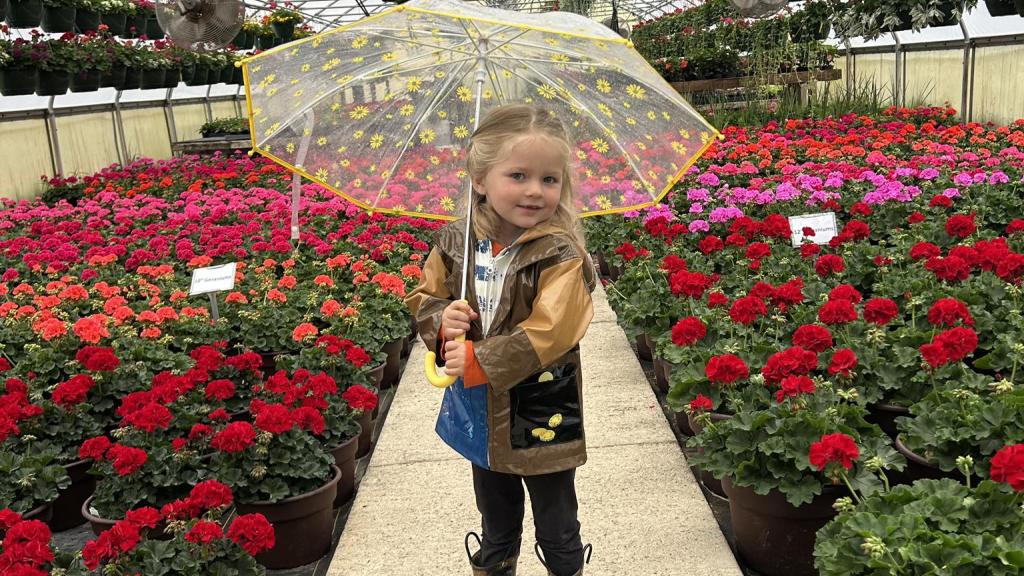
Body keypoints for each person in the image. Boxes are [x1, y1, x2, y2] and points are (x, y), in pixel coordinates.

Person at [405, 104, 597, 576]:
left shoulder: (559, 254)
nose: (535, 190)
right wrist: (441, 320)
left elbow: (550, 332)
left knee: (555, 512)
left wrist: (476, 359)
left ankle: (564, 565)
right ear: (480, 178)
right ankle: (495, 561)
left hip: (539, 405)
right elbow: (426, 298)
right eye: (518, 175)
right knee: (493, 503)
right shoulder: (455, 243)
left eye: (549, 180)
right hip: (478, 405)